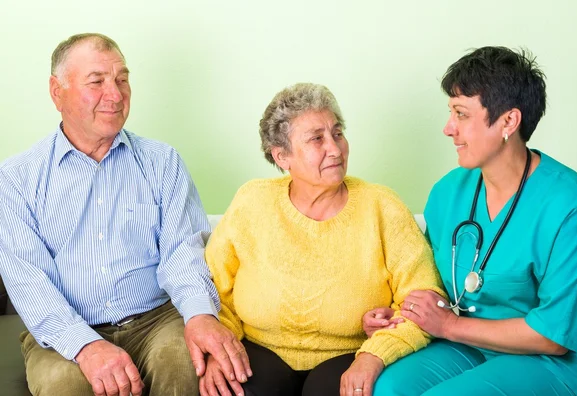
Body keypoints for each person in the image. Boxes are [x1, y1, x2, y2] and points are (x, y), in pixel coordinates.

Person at [0, 33, 251, 396]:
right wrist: (86, 346)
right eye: (97, 81)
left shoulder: (162, 161)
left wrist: (199, 315)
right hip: (66, 330)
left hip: (157, 319)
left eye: (122, 79)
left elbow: (182, 251)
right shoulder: (16, 179)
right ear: (57, 92)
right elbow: (30, 283)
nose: (115, 95)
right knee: (63, 384)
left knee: (185, 360)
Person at [364, 46, 577, 395]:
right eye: (450, 113)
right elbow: (437, 287)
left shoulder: (571, 206)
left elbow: (554, 336)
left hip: (553, 358)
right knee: (388, 388)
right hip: (468, 343)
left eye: (461, 114)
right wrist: (401, 312)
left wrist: (448, 326)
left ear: (509, 121)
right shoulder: (448, 193)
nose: (448, 129)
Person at [200, 82, 446, 396]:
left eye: (338, 133)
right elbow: (212, 291)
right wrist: (218, 350)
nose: (335, 148)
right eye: (317, 138)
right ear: (282, 156)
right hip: (259, 349)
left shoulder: (382, 206)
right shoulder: (252, 201)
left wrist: (377, 353)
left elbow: (423, 297)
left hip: (352, 354)